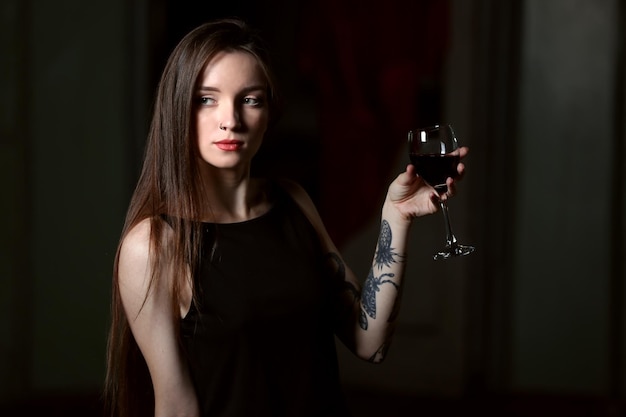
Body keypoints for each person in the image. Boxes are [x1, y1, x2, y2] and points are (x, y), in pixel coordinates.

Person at [104, 18, 468, 417]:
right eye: (206, 99)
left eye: (250, 99)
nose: (230, 119)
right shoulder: (154, 244)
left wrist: (395, 217)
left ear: (269, 113)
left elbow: (370, 343)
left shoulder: (292, 202)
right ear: (178, 111)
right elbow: (175, 406)